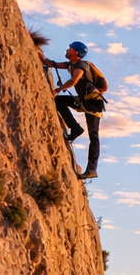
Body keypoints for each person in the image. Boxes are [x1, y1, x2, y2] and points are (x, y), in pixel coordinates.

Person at [39, 40, 104, 180]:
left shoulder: (81, 66)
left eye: (70, 48)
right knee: (59, 101)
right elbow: (51, 64)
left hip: (93, 103)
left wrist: (58, 89)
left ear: (75, 52)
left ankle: (92, 169)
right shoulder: (71, 65)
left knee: (94, 136)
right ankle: (75, 129)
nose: (67, 49)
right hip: (84, 100)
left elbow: (74, 81)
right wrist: (41, 57)